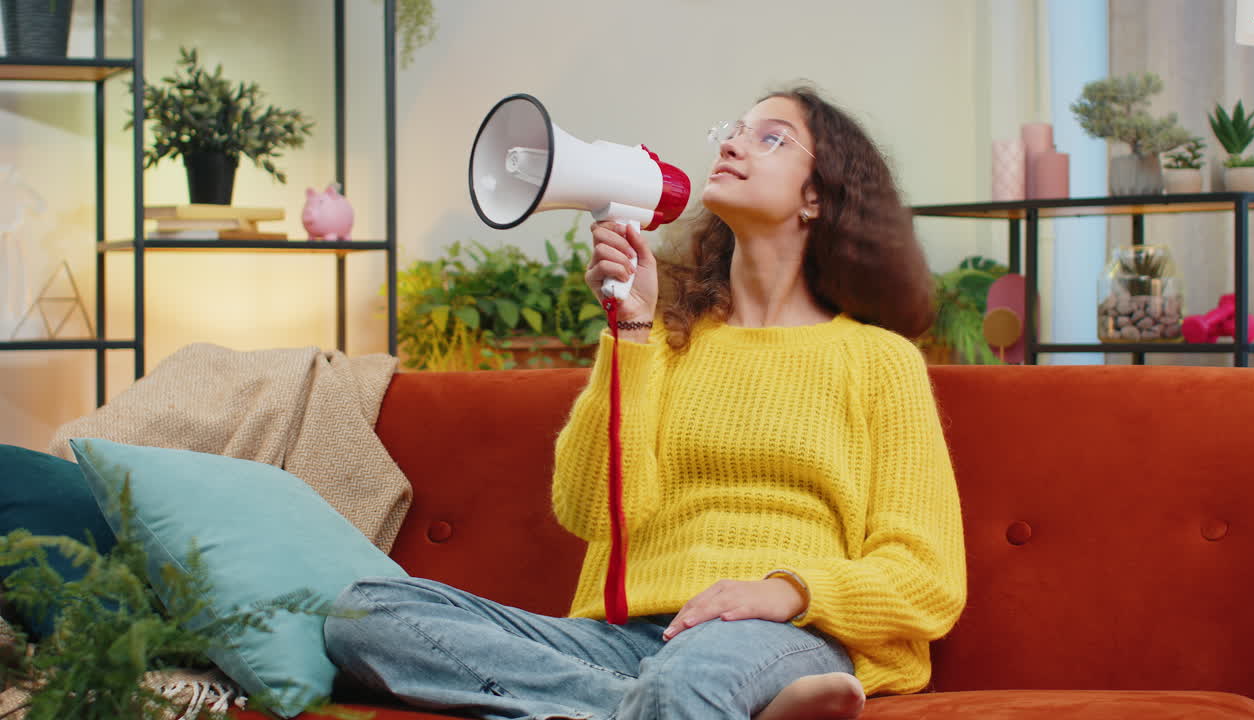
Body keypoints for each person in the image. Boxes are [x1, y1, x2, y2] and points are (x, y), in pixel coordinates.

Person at [323, 86, 967, 720]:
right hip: (625, 638)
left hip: (776, 634)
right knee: (366, 614)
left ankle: (687, 698)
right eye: (734, 130)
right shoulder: (660, 337)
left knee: (693, 676)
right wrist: (630, 330)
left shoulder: (880, 362)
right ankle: (689, 710)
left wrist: (785, 590)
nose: (736, 143)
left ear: (817, 196)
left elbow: (927, 576)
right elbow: (587, 508)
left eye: (770, 137)